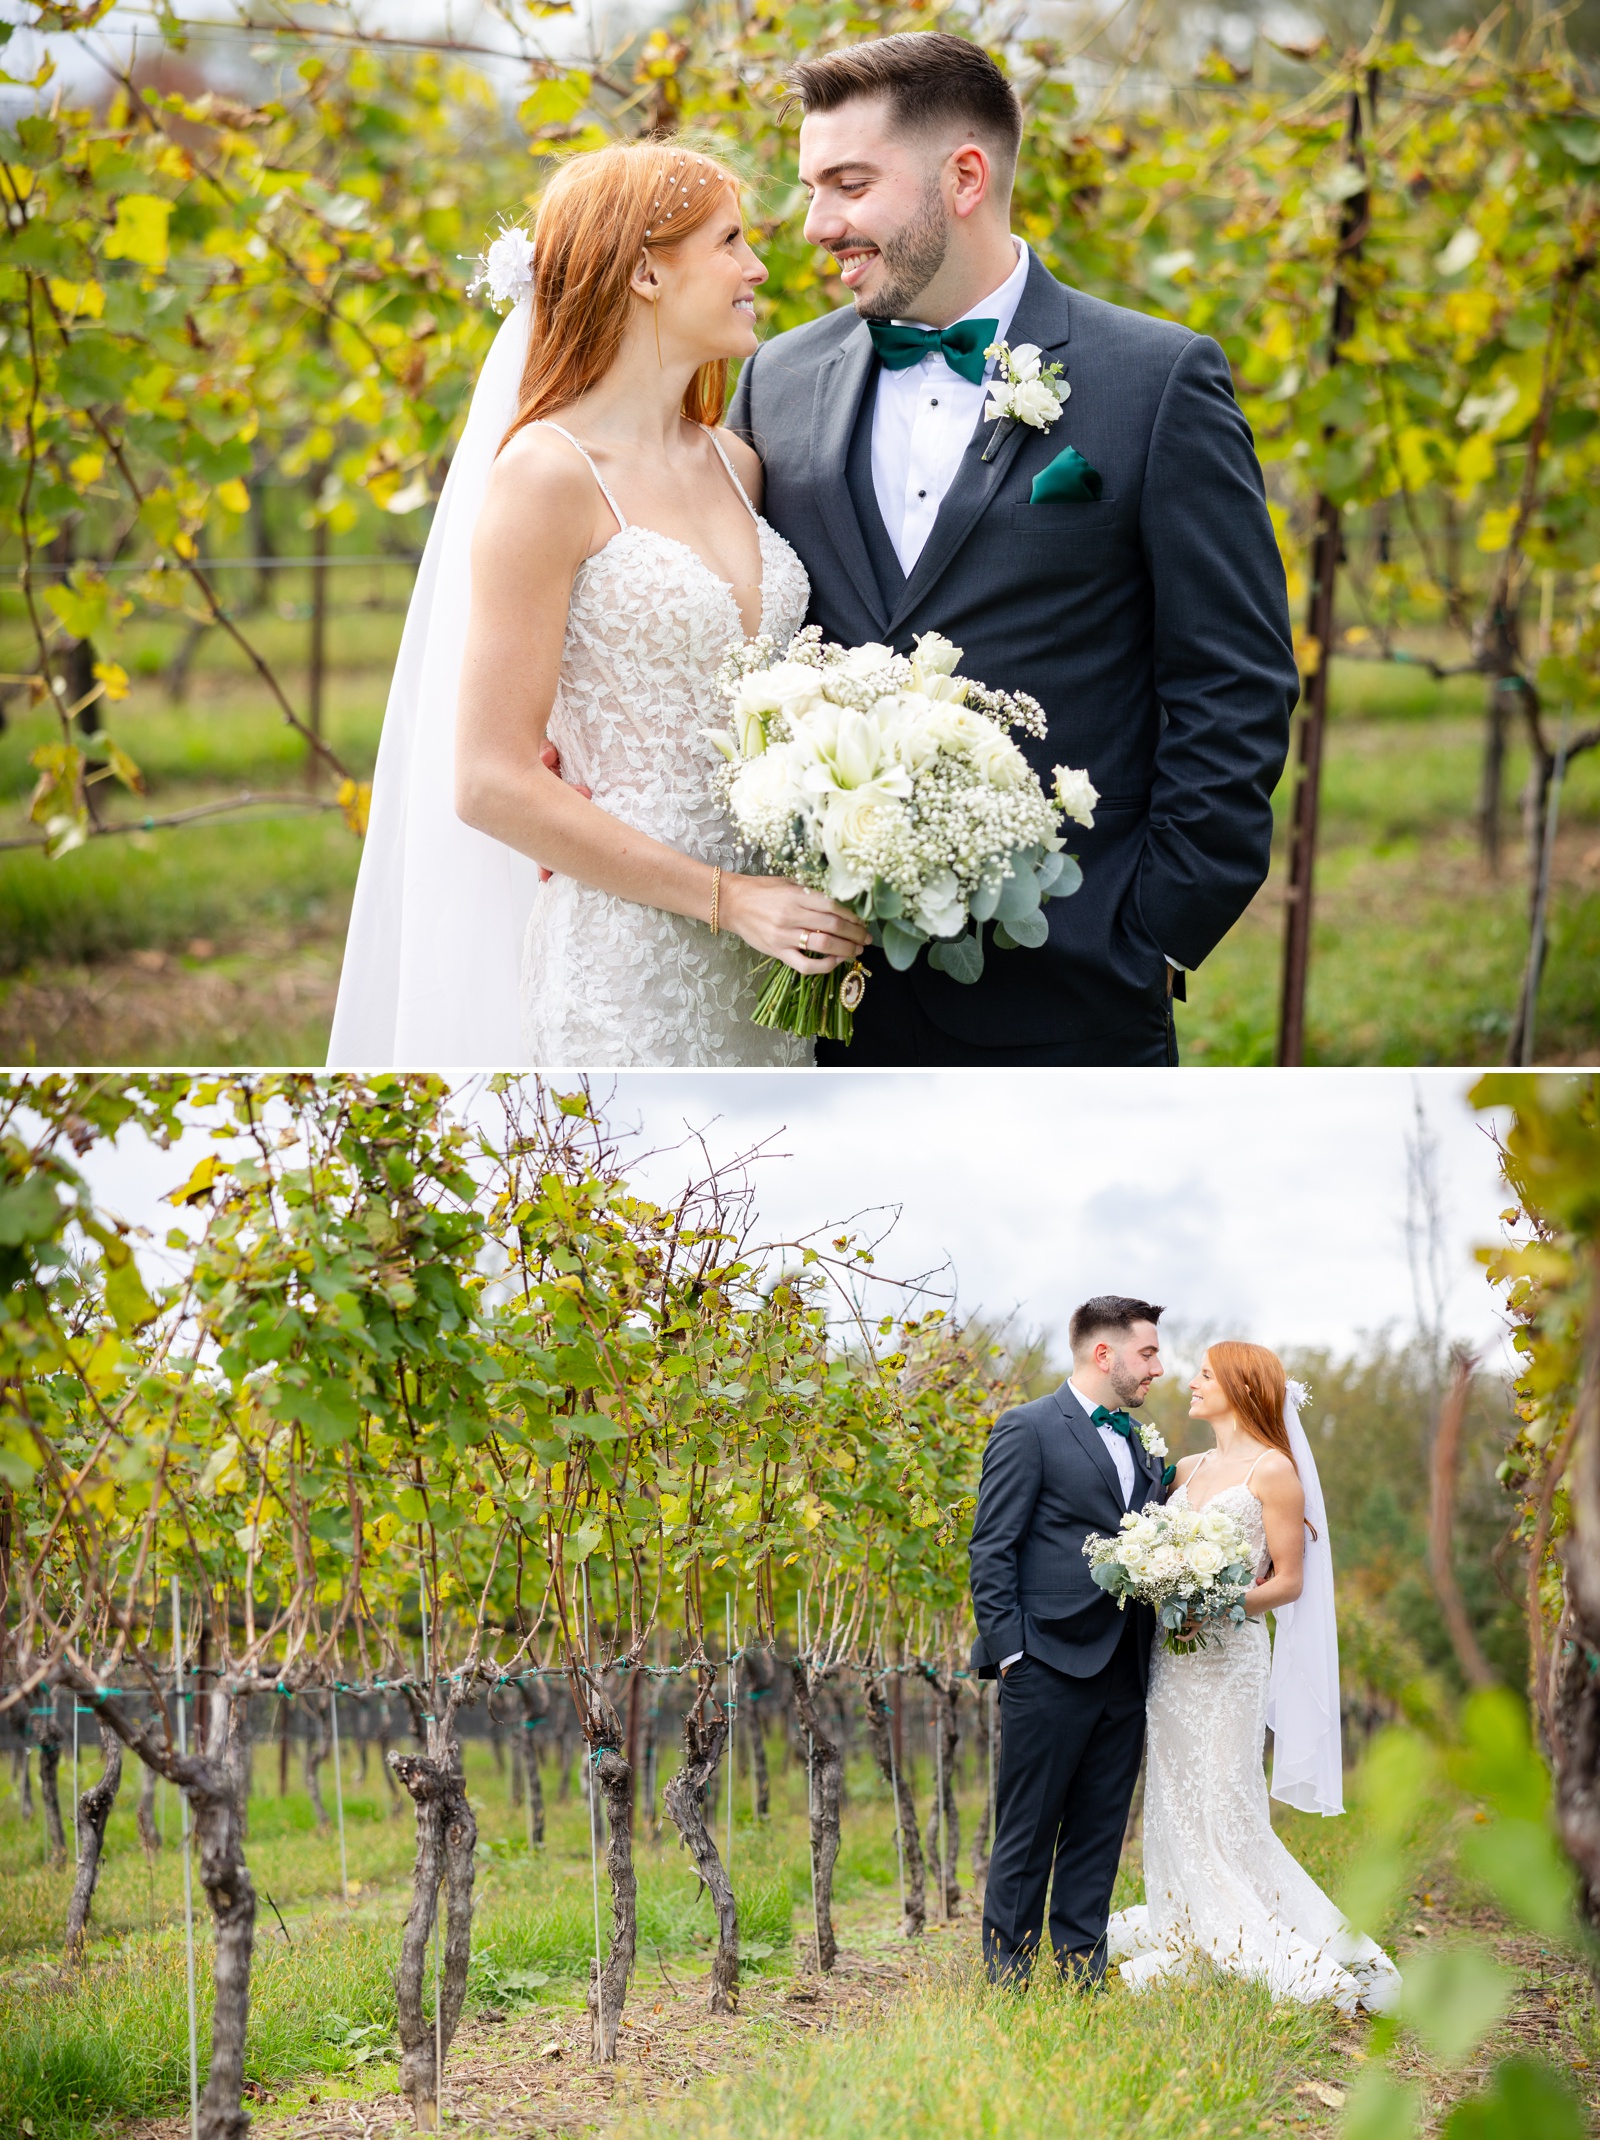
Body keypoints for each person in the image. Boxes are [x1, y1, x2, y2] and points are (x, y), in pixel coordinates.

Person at [730, 33, 1299, 1066]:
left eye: (848, 185)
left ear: (963, 176)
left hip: (1074, 983)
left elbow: (1235, 678)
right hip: (817, 1003)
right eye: (812, 188)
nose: (816, 226)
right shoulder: (774, 380)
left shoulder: (1156, 380)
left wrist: (1154, 926)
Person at [328, 141, 867, 1067]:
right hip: (635, 956)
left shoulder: (738, 466)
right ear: (645, 270)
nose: (757, 267)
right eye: (731, 241)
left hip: (776, 952)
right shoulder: (547, 475)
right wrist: (726, 899)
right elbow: (490, 780)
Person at [1106, 1342, 1402, 2011]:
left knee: (1225, 1800)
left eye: (1204, 1375)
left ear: (1240, 1387)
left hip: (1230, 1658)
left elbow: (1290, 1582)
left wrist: (1216, 1601)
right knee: (1176, 1797)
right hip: (1171, 1664)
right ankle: (1187, 1927)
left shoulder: (1275, 1473)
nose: (1190, 1383)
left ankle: (1252, 1939)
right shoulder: (1183, 1470)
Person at [969, 1296, 1170, 1985]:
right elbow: (992, 1547)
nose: (1160, 1369)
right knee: (1028, 1827)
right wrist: (1012, 1653)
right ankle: (1009, 1975)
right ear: (1103, 1354)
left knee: (1100, 1826)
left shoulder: (1144, 1444)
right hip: (1047, 1659)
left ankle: (1082, 1968)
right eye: (1148, 1353)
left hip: (1127, 1664)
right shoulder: (1027, 1429)